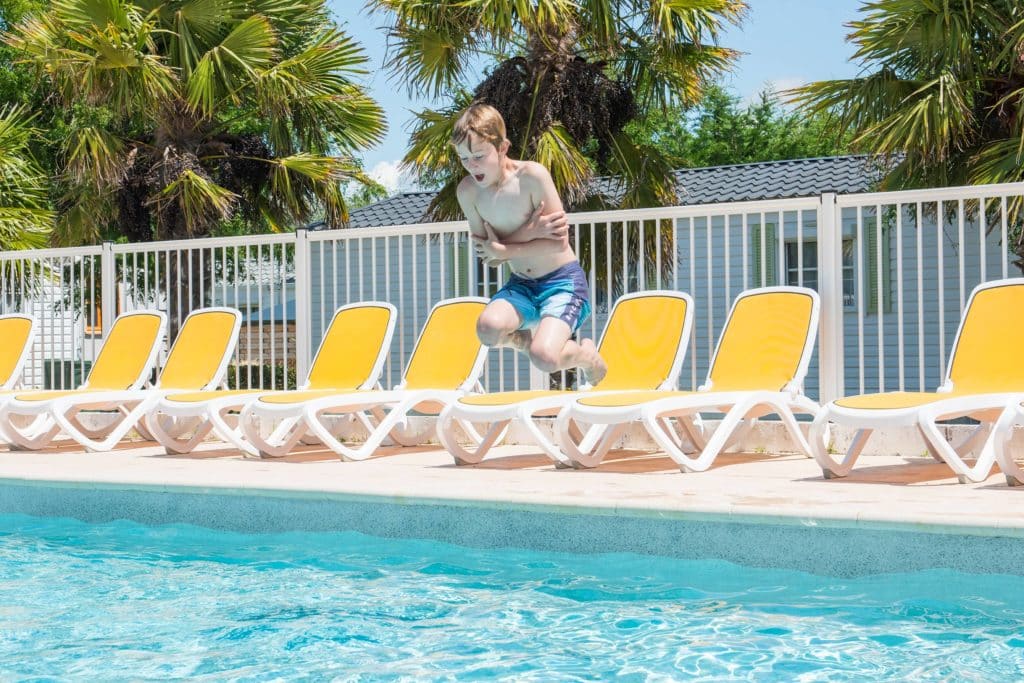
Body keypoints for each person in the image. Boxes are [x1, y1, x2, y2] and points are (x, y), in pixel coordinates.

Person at [451, 103, 607, 385]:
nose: (472, 166)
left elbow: (558, 244)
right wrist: (530, 231)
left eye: (479, 155)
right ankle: (526, 342)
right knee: (487, 330)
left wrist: (507, 248)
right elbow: (490, 255)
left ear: (502, 147)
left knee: (545, 358)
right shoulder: (468, 192)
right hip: (522, 284)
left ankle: (586, 355)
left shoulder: (532, 177)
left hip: (562, 284)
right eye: (463, 158)